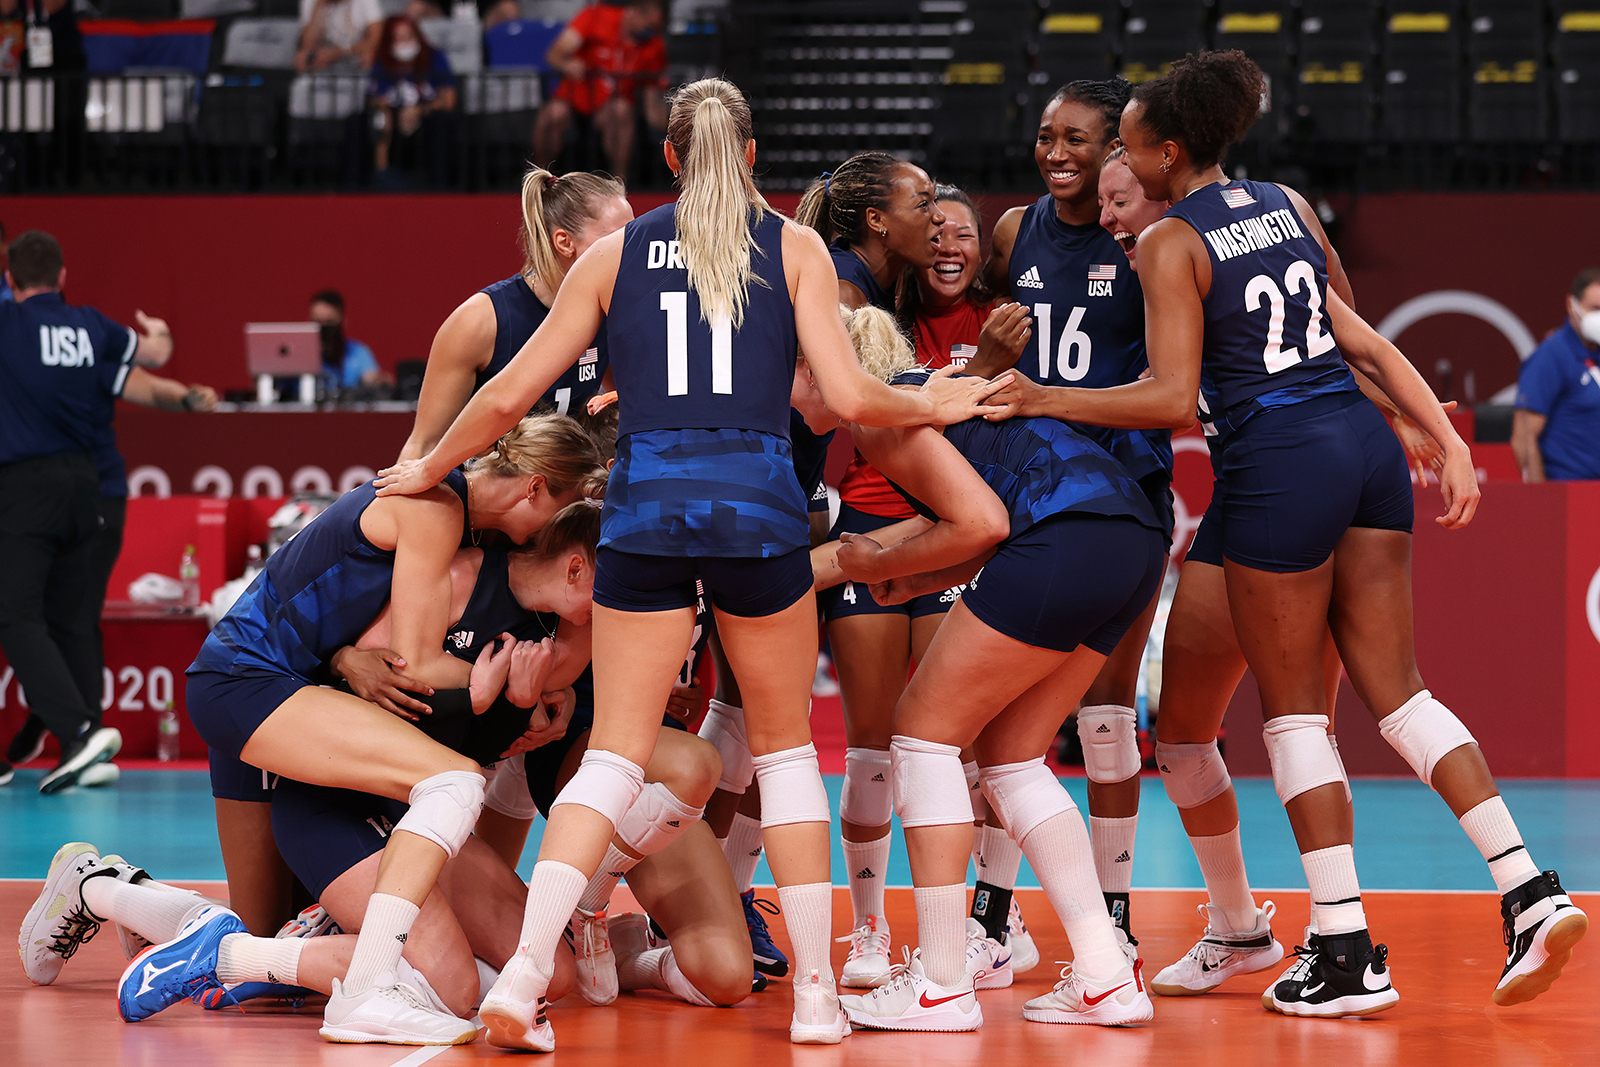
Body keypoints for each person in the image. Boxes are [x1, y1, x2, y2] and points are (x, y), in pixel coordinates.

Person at [373, 77, 1009, 1049]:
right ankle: (813, 1000)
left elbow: (508, 394)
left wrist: (425, 461)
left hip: (645, 512)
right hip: (758, 511)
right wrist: (941, 403)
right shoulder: (793, 246)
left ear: (667, 158)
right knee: (789, 752)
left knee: (616, 752)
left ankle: (527, 974)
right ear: (750, 157)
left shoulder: (619, 251)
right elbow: (848, 393)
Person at [1024, 48, 1585, 1017]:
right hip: (1358, 451)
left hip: (1275, 467)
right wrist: (1442, 433)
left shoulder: (1170, 244)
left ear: (1165, 151)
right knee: (1396, 695)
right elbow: (1357, 338)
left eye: (1126, 151)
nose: (1119, 168)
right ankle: (1528, 888)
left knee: (1291, 715)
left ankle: (1342, 945)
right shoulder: (1281, 202)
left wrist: (1039, 394)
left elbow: (1164, 394)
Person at [169, 414, 607, 1044]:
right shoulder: (437, 509)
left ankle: (132, 900)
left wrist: (344, 657)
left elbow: (377, 638)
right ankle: (361, 978)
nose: (556, 531)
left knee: (267, 930)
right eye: (562, 510)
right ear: (535, 488)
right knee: (453, 786)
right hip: (253, 681)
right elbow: (421, 662)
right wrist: (505, 691)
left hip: (298, 683)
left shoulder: (461, 516)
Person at [829, 305, 1160, 1031]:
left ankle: (944, 980)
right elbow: (983, 515)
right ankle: (1107, 975)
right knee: (1011, 756)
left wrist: (881, 560)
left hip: (1065, 533)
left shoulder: (880, 419)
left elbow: (986, 524)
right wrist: (906, 577)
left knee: (920, 732)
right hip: (1131, 538)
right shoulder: (929, 388)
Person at [961, 79, 1173, 961]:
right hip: (1033, 494)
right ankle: (991, 916)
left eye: (1077, 139)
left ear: (1115, 149)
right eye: (1045, 135)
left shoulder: (1153, 242)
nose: (1055, 153)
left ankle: (1114, 917)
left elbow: (1172, 380)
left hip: (1124, 494)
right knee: (1006, 717)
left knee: (1107, 717)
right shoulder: (1015, 232)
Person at [791, 152, 961, 987]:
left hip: (932, 538)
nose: (936, 214)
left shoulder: (905, 293)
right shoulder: (835, 290)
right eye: (921, 200)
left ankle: (961, 933)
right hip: (850, 524)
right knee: (867, 746)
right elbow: (848, 406)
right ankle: (865, 933)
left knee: (940, 742)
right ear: (875, 220)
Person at [0, 231, 172, 794]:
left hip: (29, 485)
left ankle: (75, 730)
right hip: (87, 484)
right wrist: (159, 334)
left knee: (17, 614)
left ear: (10, 279)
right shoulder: (92, 326)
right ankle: (88, 738)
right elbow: (154, 357)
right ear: (63, 276)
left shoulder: (10, 325)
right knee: (72, 618)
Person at [6, 365, 220, 786]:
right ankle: (63, 724)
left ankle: (76, 732)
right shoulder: (64, 337)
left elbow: (150, 375)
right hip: (59, 492)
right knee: (56, 616)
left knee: (53, 616)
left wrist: (179, 389)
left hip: (72, 493)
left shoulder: (67, 334)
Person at [401, 166, 632, 462]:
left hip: (562, 490)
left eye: (634, 236)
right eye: (618, 239)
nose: (630, 250)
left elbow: (632, 402)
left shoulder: (611, 311)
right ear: (564, 243)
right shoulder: (480, 322)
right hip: (485, 491)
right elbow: (422, 447)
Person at [534, 0, 669, 178]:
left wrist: (671, 133)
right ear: (633, 12)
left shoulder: (654, 45)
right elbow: (554, 55)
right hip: (575, 100)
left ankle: (620, 181)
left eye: (656, 29)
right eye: (650, 26)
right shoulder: (595, 16)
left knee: (620, 110)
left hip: (610, 109)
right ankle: (538, 177)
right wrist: (568, 64)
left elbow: (652, 102)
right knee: (554, 113)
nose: (651, 33)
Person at [1512, 267, 1600, 483]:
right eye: (1595, 308)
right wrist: (1541, 501)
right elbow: (1524, 437)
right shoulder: (1551, 356)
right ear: (1572, 306)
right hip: (1572, 493)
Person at [368, 15, 457, 187]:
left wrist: (419, 110)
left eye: (408, 37)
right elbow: (374, 98)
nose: (405, 44)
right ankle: (381, 176)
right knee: (374, 120)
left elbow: (449, 100)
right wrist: (388, 110)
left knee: (440, 123)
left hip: (426, 117)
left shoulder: (434, 57)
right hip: (394, 121)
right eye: (398, 39)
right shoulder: (382, 61)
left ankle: (439, 186)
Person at [310, 289, 390, 395]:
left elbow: (372, 377)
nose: (324, 329)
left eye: (329, 322)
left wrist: (379, 380)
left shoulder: (358, 352)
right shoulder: (299, 354)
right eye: (318, 322)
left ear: (342, 320)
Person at [297, 0, 383, 73]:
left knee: (369, 55)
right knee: (302, 57)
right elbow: (307, 45)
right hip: (323, 59)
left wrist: (337, 53)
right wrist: (319, 6)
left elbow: (375, 39)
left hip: (354, 56)